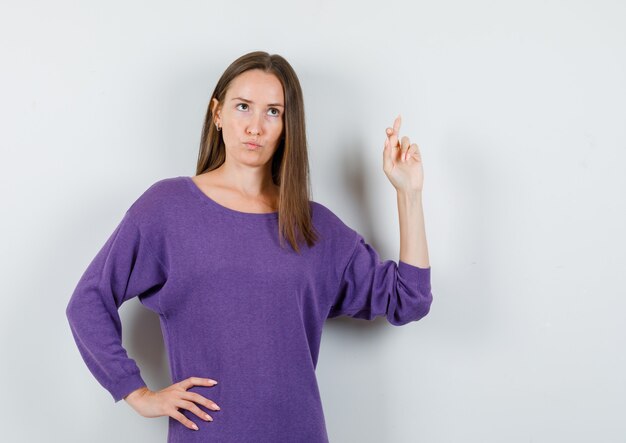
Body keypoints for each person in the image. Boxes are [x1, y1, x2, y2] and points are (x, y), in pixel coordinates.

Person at [65, 50, 432, 443]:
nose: (255, 126)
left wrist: (408, 194)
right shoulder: (167, 210)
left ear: (287, 126)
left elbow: (409, 297)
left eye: (273, 112)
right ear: (217, 113)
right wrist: (137, 394)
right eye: (243, 107)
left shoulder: (312, 227)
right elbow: (88, 301)